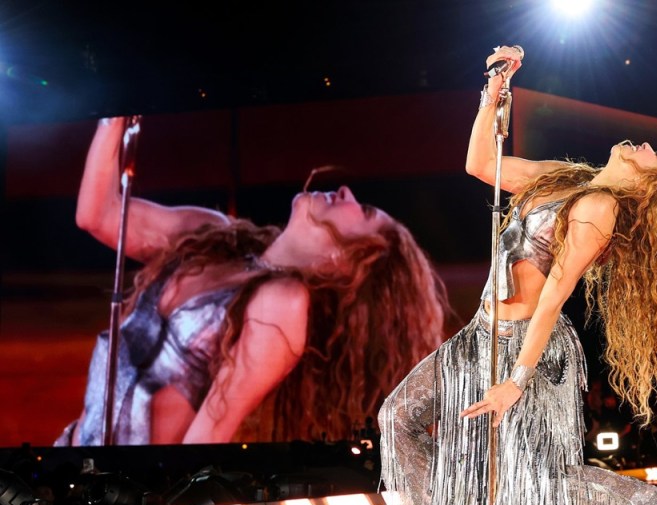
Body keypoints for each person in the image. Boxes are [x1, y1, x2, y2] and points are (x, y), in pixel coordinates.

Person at [380, 46, 657, 505]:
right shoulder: (568, 178)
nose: (648, 146)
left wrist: (516, 381)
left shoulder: (599, 209)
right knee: (398, 417)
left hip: (530, 348)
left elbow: (554, 295)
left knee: (540, 476)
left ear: (649, 186)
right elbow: (480, 165)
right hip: (479, 335)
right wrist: (494, 95)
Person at [55, 116, 449, 446]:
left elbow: (207, 437)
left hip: (132, 491)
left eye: (363, 211)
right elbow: (99, 215)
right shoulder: (212, 238)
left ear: (351, 264)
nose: (346, 191)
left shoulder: (282, 303)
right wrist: (115, 116)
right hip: (74, 457)